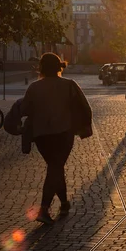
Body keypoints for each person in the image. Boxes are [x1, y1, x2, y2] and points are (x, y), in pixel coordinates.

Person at [21, 53, 92, 224]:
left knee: (55, 167)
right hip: (64, 133)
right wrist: (83, 127)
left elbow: (25, 109)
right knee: (56, 167)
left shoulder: (34, 87)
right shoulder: (69, 85)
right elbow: (85, 108)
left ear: (42, 67)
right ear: (59, 67)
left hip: (41, 135)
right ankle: (44, 209)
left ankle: (64, 203)